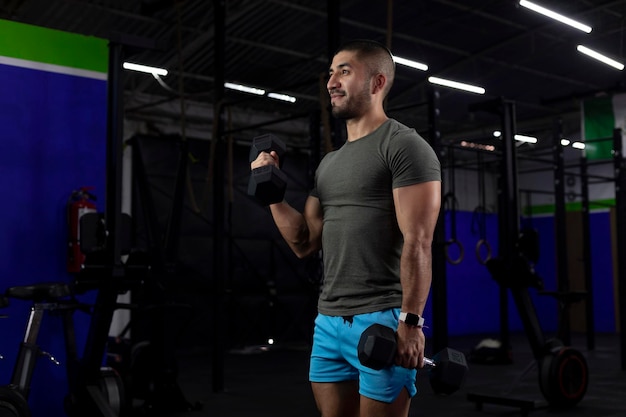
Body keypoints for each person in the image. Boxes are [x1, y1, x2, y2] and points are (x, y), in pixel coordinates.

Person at [250, 39, 441, 417]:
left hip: (382, 318)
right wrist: (271, 190)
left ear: (376, 82)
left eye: (345, 71)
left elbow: (419, 241)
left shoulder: (404, 147)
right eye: (331, 72)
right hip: (328, 320)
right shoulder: (329, 164)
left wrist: (411, 323)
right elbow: (304, 242)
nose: (331, 82)